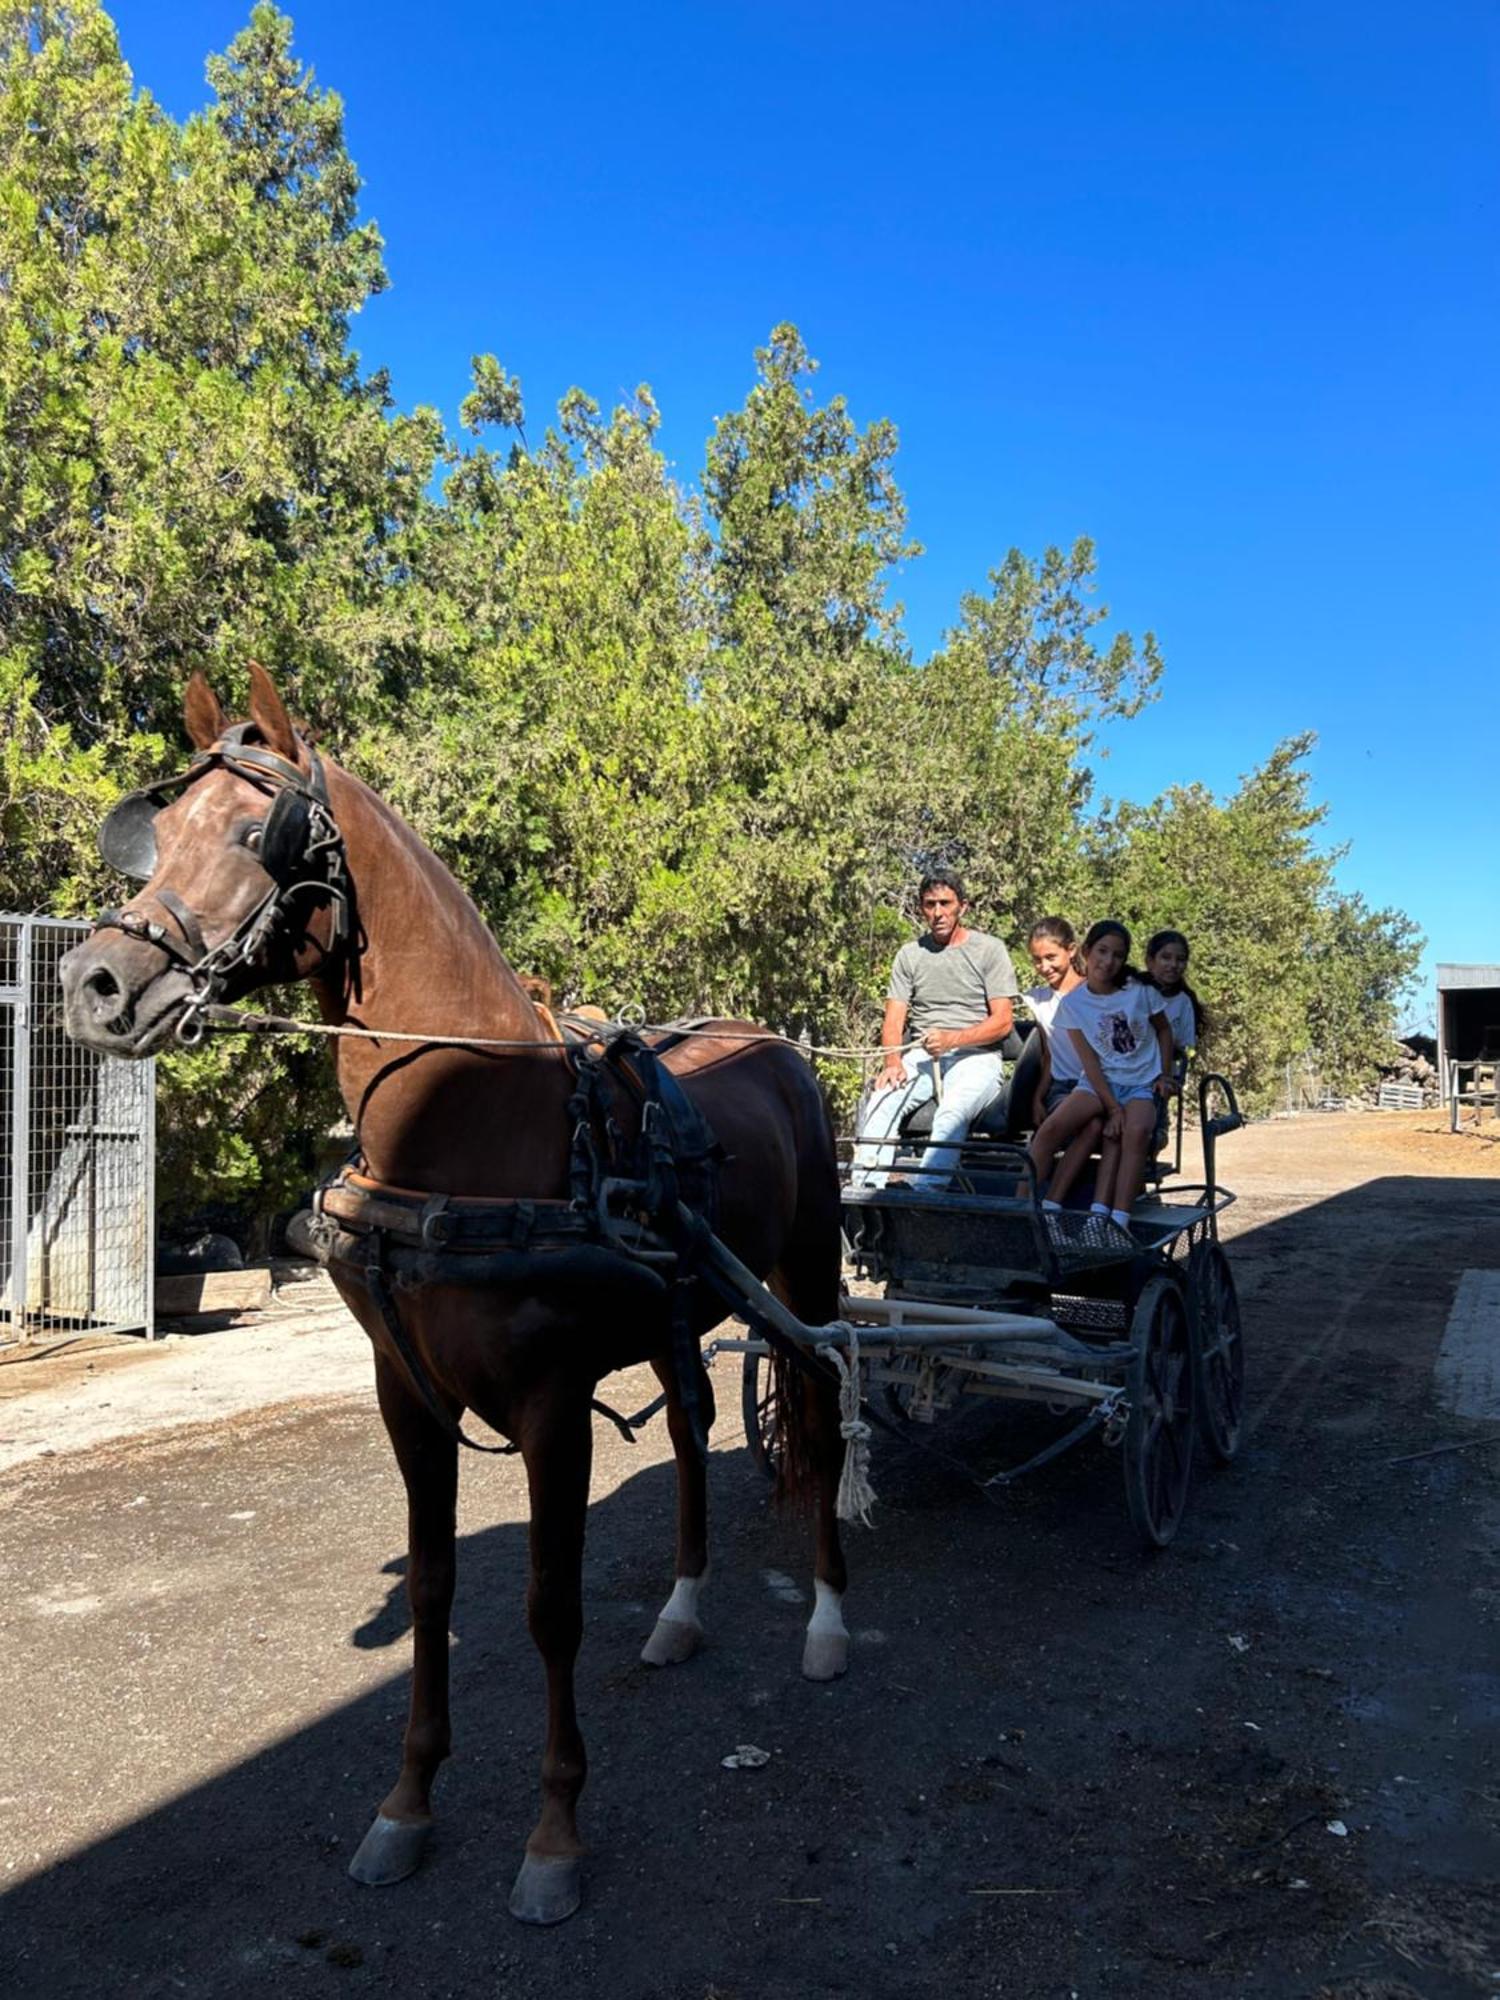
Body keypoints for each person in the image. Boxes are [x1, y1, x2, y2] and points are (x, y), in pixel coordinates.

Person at [849, 870, 1018, 1191]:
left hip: (977, 1058)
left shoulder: (989, 950)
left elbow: (1003, 1022)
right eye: (930, 904)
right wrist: (892, 1063)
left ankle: (926, 1195)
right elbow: (894, 1020)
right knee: (882, 1100)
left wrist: (953, 1039)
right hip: (921, 1055)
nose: (938, 912)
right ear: (921, 909)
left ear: (962, 907)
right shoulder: (910, 955)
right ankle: (866, 1193)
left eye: (945, 903)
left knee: (951, 1114)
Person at [1027, 919, 1173, 1231]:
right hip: (1099, 1082)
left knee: (1135, 1132)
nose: (1108, 961)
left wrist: (1163, 1073)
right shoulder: (1073, 1005)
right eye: (1102, 951)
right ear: (1088, 951)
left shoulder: (1140, 991)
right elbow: (1090, 1063)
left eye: (1118, 955)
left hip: (1139, 1082)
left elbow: (1163, 1029)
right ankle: (1026, 1208)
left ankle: (1117, 1220)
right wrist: (1112, 1108)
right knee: (1051, 1129)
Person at [1142, 928, 1205, 1154]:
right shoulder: (1135, 991)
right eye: (1166, 957)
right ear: (1150, 961)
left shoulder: (1184, 1002)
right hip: (1130, 1072)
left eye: (1180, 960)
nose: (1173, 965)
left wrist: (1176, 1067)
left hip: (1162, 1076)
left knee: (1151, 1134)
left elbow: (1188, 1047)